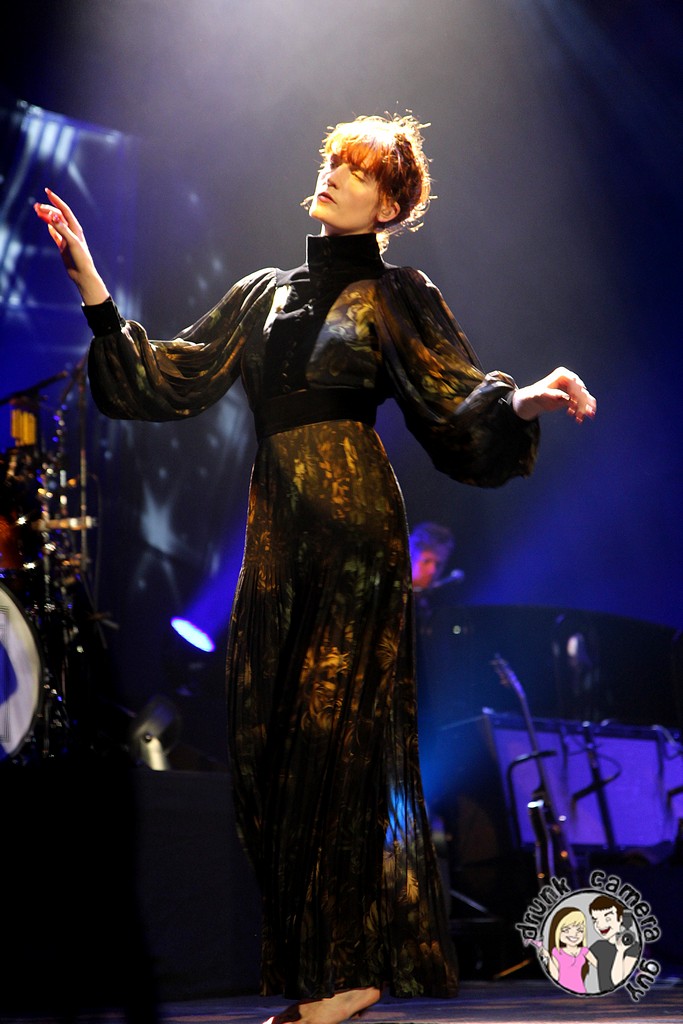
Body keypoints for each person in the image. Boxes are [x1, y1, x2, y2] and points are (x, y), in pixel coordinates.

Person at [34, 113, 596, 1024]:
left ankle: (347, 976)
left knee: (339, 744)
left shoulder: (399, 295)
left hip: (355, 536)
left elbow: (456, 405)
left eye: (357, 171)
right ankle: (326, 969)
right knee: (271, 745)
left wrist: (525, 399)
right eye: (333, 160)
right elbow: (166, 377)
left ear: (389, 206)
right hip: (278, 535)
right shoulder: (262, 294)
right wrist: (91, 280)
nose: (333, 175)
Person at [534, 906, 598, 995]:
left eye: (580, 930)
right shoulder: (556, 952)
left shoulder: (584, 951)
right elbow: (555, 976)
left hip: (580, 991)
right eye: (566, 930)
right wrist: (548, 957)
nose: (574, 934)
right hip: (562, 993)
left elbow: (600, 967)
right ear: (557, 931)